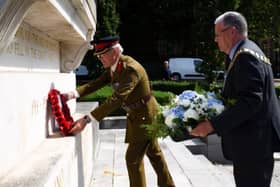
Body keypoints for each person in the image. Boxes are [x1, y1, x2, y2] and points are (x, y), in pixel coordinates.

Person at [64, 36, 175, 187]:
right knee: (154, 155)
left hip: (146, 116)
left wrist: (86, 119)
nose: (99, 58)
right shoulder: (115, 66)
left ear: (114, 52)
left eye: (102, 55)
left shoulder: (131, 69)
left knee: (132, 159)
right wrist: (73, 94)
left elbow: (117, 99)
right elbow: (97, 83)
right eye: (98, 55)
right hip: (139, 114)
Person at [191, 11, 280, 187]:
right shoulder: (248, 51)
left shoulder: (245, 56)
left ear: (232, 31)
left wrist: (212, 125)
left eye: (217, 34)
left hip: (253, 145)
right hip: (255, 143)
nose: (215, 39)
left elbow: (250, 101)